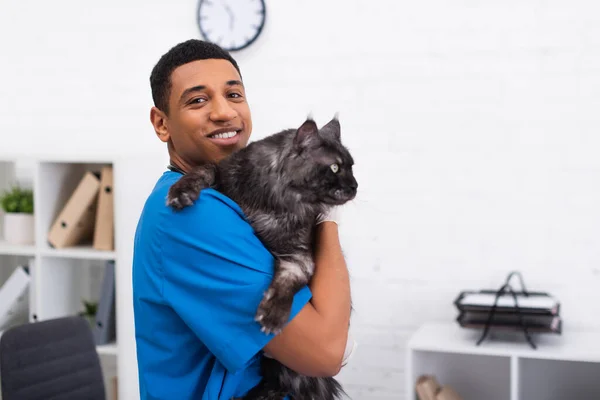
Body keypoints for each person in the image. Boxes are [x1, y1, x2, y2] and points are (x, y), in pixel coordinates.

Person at [132, 39, 354, 400]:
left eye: (234, 95)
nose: (224, 112)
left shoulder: (228, 196)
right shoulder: (190, 211)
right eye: (198, 100)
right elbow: (327, 352)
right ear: (162, 124)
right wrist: (326, 211)